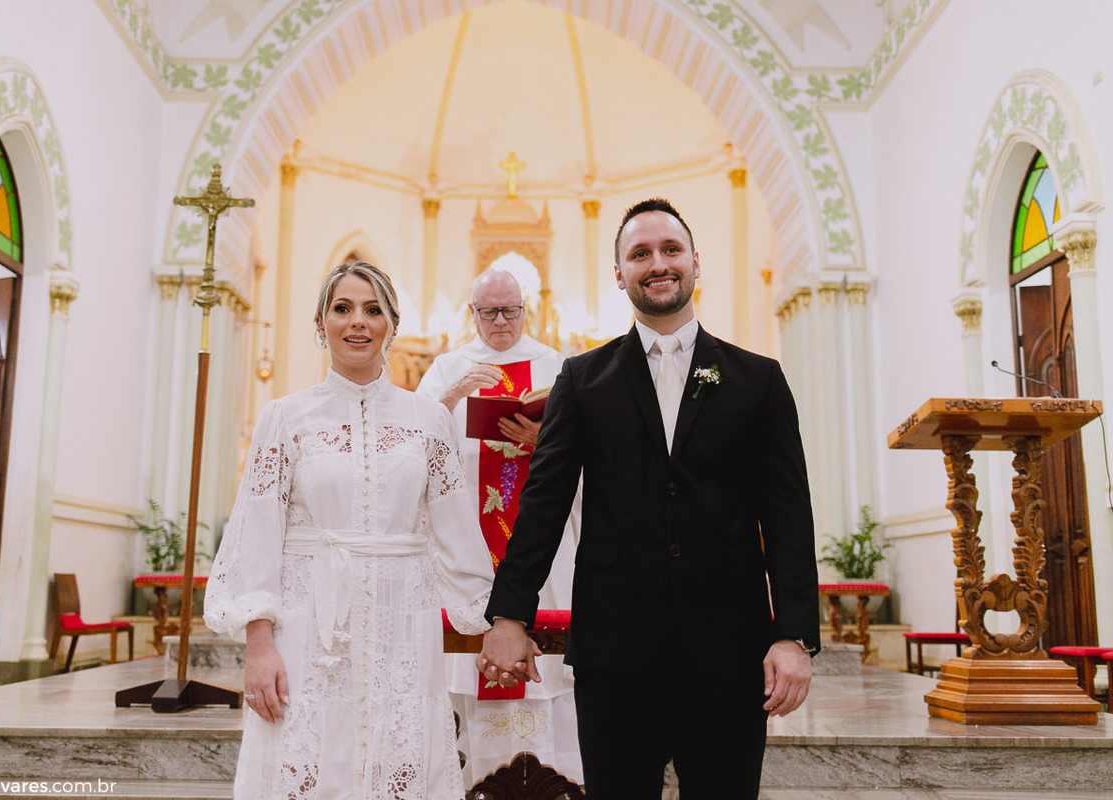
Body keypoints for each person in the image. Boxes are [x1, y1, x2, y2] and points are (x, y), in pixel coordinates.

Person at [478, 198, 820, 798]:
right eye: (640, 253)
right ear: (620, 274)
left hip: (729, 652)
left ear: (695, 262)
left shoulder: (757, 379)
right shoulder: (583, 379)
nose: (657, 263)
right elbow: (543, 505)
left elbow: (788, 516)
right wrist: (510, 615)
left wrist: (793, 636)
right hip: (616, 654)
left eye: (670, 249)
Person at [205, 260, 494, 800]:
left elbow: (458, 533)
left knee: (400, 754)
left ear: (392, 325)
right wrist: (259, 647)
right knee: (310, 756)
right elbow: (257, 536)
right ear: (321, 324)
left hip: (403, 626)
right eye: (343, 308)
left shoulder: (429, 420)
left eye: (372, 309)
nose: (358, 321)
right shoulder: (284, 417)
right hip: (307, 628)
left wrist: (496, 620)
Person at [415, 268, 581, 785]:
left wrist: (542, 441)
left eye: (511, 311)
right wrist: (450, 396)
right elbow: (408, 445)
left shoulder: (557, 366)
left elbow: (594, 451)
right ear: (472, 313)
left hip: (541, 543)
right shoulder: (447, 368)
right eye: (489, 312)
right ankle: (472, 783)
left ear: (526, 310)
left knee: (549, 670)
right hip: (468, 540)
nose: (501, 322)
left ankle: (555, 781)